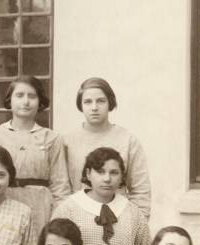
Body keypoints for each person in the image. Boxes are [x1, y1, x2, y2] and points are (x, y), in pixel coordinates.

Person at [0, 75, 70, 237]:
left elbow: (60, 185)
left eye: (32, 96)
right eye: (19, 95)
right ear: (10, 100)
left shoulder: (52, 138)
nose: (26, 101)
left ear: (40, 102)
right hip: (3, 201)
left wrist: (57, 220)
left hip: (40, 206)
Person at [64, 77, 151, 217]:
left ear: (110, 103)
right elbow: (62, 188)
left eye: (100, 101)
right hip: (79, 217)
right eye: (87, 102)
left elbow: (140, 189)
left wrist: (136, 224)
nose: (94, 107)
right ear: (80, 105)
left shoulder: (127, 140)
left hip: (118, 216)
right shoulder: (67, 141)